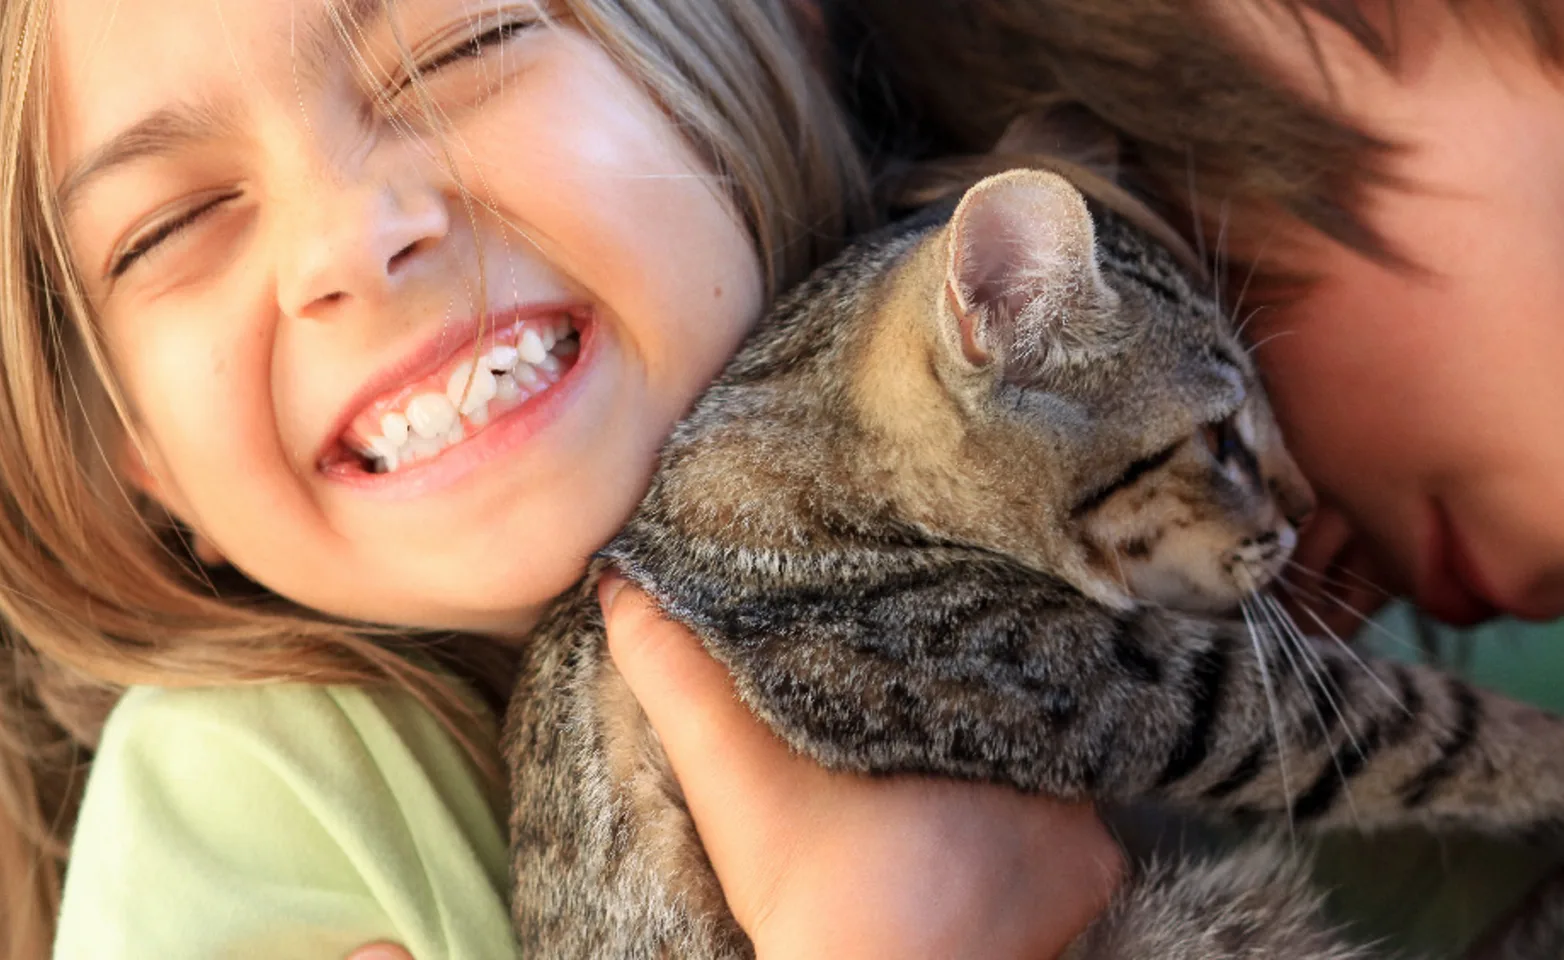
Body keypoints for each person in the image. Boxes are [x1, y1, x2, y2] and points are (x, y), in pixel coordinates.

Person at [7, 0, 1122, 957]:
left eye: (460, 47)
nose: (347, 244)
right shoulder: (230, 807)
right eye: (173, 226)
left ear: (760, 33)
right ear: (135, 452)